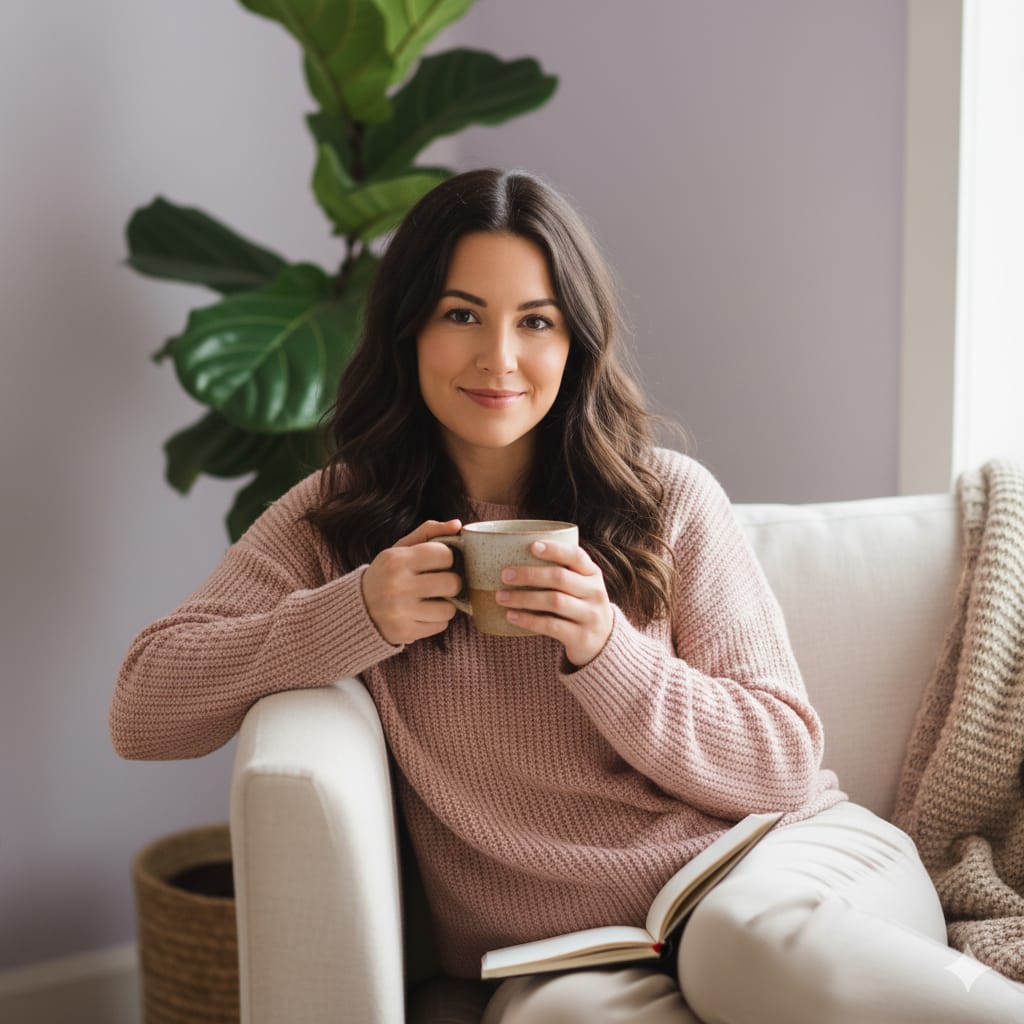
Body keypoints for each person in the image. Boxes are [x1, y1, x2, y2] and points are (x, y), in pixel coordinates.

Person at [110, 168, 1024, 1024]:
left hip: (781, 871)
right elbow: (144, 709)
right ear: (408, 330)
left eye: (536, 321)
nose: (499, 357)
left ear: (575, 339)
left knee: (744, 946)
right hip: (567, 954)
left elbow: (781, 764)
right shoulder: (336, 521)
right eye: (461, 314)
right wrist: (355, 614)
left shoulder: (666, 498)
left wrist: (605, 652)